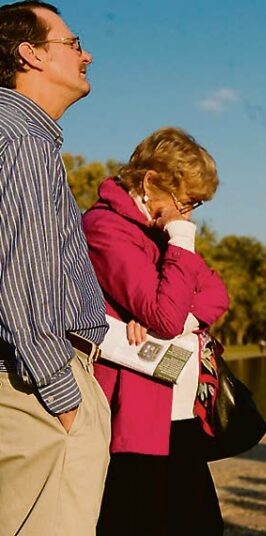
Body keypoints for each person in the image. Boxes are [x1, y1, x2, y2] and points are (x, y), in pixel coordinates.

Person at [82, 127, 229, 535]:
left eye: (196, 206)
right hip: (136, 415)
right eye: (187, 202)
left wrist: (183, 319)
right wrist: (181, 239)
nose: (189, 215)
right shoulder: (106, 229)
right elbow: (162, 316)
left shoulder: (158, 232)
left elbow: (217, 293)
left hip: (178, 410)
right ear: (150, 183)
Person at [0, 2, 111, 535]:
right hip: (35, 395)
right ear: (30, 55)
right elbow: (25, 280)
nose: (86, 54)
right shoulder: (23, 144)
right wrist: (64, 397)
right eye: (72, 44)